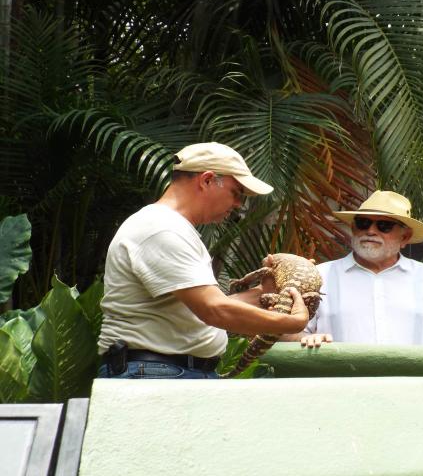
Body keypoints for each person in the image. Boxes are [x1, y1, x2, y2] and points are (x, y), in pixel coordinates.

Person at [98, 142, 311, 379]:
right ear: (207, 180)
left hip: (168, 371)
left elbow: (201, 308)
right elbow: (214, 311)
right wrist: (291, 322)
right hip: (157, 373)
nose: (239, 204)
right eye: (236, 193)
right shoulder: (161, 229)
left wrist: (262, 292)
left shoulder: (172, 228)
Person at [297, 190, 423, 347]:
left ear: (405, 237)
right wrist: (305, 339)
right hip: (337, 384)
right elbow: (289, 333)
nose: (371, 231)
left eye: (384, 226)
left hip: (416, 384)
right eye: (363, 223)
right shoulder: (319, 276)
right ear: (353, 228)